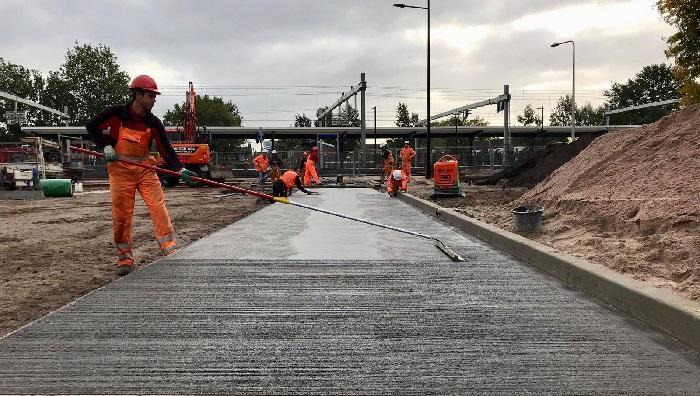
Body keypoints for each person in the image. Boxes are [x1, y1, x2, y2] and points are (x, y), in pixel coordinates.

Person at [85, 74, 196, 276]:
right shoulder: (116, 114)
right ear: (138, 95)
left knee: (158, 208)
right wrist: (106, 145)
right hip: (120, 171)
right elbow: (91, 127)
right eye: (151, 96)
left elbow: (166, 149)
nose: (154, 100)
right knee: (122, 216)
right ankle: (125, 258)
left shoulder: (153, 123)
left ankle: (170, 249)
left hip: (145, 170)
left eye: (154, 96)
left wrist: (179, 169)